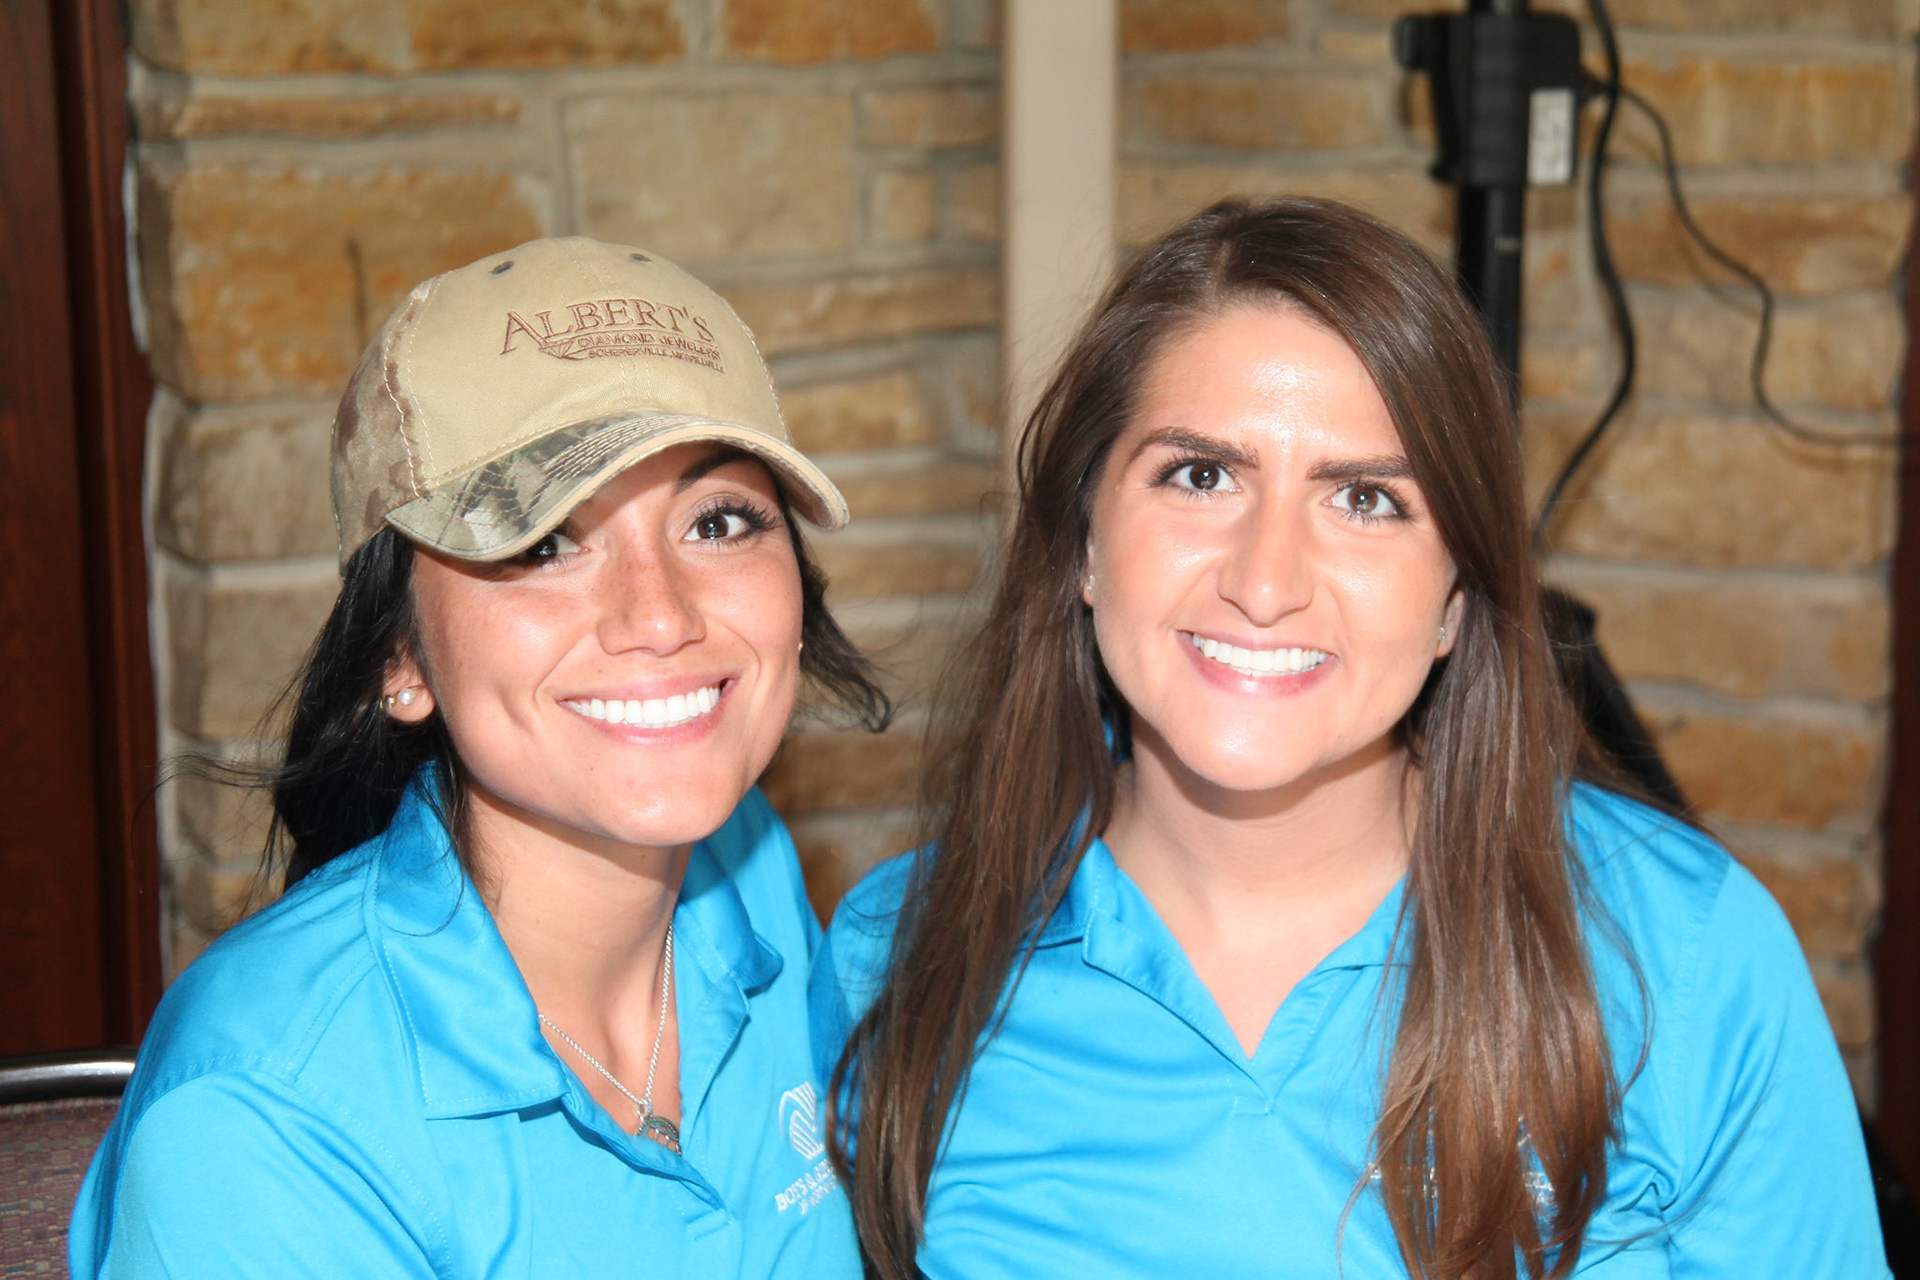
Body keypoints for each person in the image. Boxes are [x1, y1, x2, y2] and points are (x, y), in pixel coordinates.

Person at [812, 198, 1888, 1279]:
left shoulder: (1683, 953)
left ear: (1456, 597)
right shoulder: (899, 959)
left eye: (1367, 498)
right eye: (1201, 475)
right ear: (1086, 539)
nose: (1265, 581)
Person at [73, 237, 885, 1277]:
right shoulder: (259, 1122)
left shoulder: (749, 869)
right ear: (398, 655)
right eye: (544, 542)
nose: (660, 613)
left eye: (718, 520)